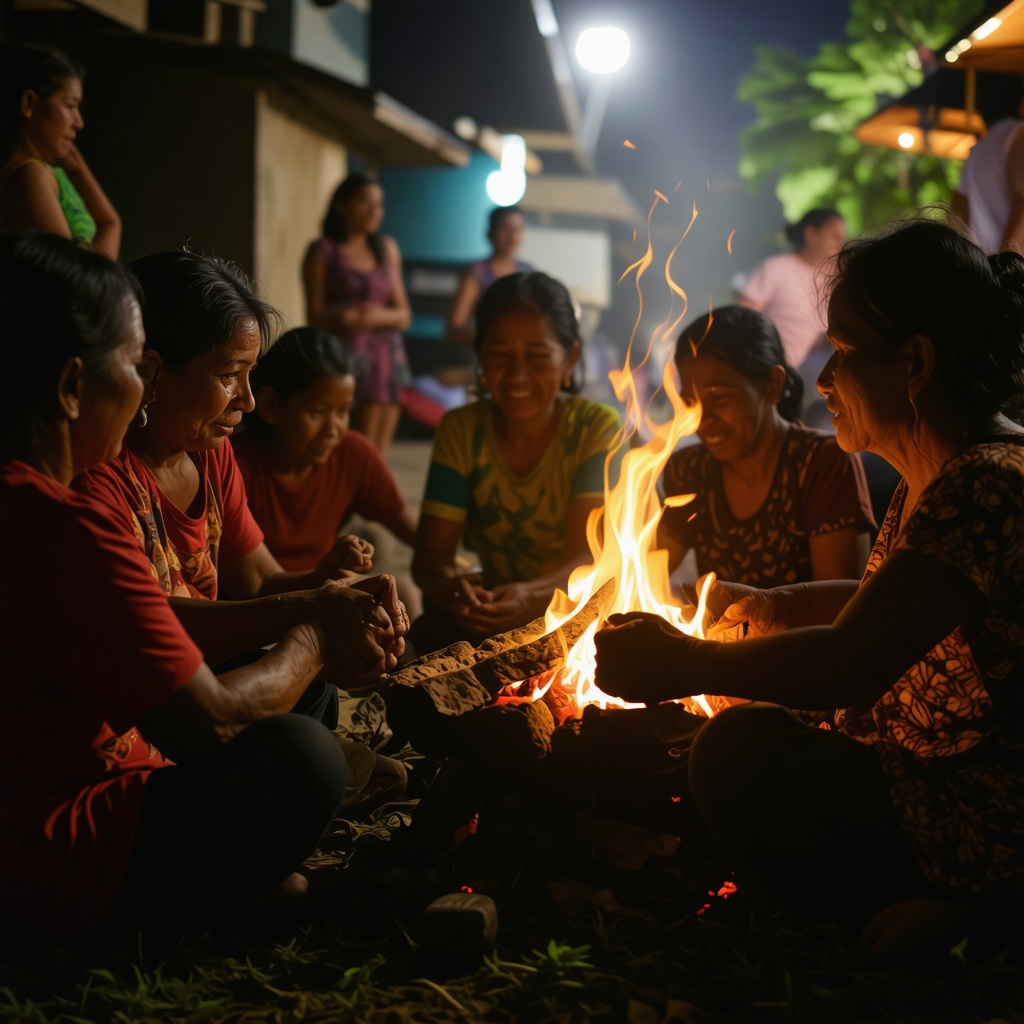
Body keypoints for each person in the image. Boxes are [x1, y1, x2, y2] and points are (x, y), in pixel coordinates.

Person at [594, 219, 1024, 955]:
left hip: (987, 823)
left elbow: (852, 663)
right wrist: (776, 605)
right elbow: (895, 605)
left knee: (738, 749)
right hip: (923, 783)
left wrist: (686, 663)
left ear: (915, 363)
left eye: (845, 353)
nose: (821, 379)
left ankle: (964, 915)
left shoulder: (986, 484)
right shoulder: (936, 473)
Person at [0, 232, 409, 937]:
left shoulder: (38, 500)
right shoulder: (67, 519)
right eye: (134, 367)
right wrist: (315, 626)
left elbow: (255, 592)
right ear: (73, 387)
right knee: (300, 759)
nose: (142, 388)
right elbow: (211, 721)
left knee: (292, 703)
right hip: (46, 850)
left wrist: (319, 595)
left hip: (100, 764)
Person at [74, 248, 409, 673]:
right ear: (151, 372)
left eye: (249, 375)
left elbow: (260, 581)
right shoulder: (100, 475)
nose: (247, 400)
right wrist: (313, 611)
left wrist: (325, 582)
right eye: (230, 375)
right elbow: (147, 626)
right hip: (145, 682)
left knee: (314, 697)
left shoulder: (211, 455)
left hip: (202, 672)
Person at [411, 271, 622, 650]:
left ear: (570, 358)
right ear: (480, 358)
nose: (517, 375)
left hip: (577, 618)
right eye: (499, 355)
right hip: (495, 615)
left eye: (538, 357)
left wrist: (531, 597)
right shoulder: (461, 430)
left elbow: (592, 556)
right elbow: (429, 559)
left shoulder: (595, 429)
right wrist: (457, 587)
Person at [660, 305, 874, 588]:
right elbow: (646, 567)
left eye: (720, 398)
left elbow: (840, 607)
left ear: (772, 385)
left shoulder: (821, 463)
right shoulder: (691, 471)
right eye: (690, 402)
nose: (702, 420)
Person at [234, 326, 421, 614]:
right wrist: (327, 581)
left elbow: (417, 534)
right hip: (262, 606)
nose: (333, 430)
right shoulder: (235, 466)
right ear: (271, 405)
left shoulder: (352, 453)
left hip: (323, 591)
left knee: (404, 592)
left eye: (343, 412)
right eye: (317, 412)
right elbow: (252, 586)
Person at [303, 173, 412, 456]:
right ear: (341, 205)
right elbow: (314, 315)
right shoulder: (323, 251)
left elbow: (403, 315)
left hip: (386, 362)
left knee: (377, 457)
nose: (374, 211)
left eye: (379, 204)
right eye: (365, 202)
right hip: (344, 361)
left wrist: (368, 317)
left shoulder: (386, 249)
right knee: (348, 450)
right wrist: (345, 318)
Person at [0, 44, 121, 258]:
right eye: (69, 105)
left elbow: (110, 223)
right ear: (28, 103)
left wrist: (78, 170)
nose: (79, 122)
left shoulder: (45, 172)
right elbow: (72, 279)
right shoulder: (29, 175)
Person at [737, 208, 847, 420]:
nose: (840, 244)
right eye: (834, 236)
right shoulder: (776, 269)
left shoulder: (837, 278)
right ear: (811, 234)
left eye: (842, 239)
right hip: (777, 373)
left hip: (820, 378)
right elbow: (743, 318)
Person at [446, 206, 531, 345]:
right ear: (490, 233)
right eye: (505, 229)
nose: (512, 237)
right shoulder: (476, 272)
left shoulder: (527, 272)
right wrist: (493, 342)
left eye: (517, 230)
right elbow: (454, 329)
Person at [951, 106, 1024, 255]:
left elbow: (955, 219)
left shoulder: (978, 150)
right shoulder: (1019, 135)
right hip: (1006, 268)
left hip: (981, 265)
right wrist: (1008, 269)